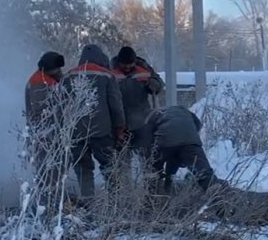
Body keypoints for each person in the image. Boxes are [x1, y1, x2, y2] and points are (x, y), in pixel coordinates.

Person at [61, 43, 126, 204]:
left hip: (75, 133)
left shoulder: (69, 75)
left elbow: (62, 105)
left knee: (83, 170)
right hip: (102, 131)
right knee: (109, 167)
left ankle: (88, 205)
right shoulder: (107, 75)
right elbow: (116, 105)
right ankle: (116, 203)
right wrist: (119, 128)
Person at [24, 51, 66, 207]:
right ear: (48, 68)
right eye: (57, 69)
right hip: (45, 135)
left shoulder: (48, 78)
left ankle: (51, 203)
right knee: (47, 172)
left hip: (50, 133)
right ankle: (47, 206)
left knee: (53, 171)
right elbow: (41, 111)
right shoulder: (39, 82)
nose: (59, 71)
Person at [111, 46, 165, 166]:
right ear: (119, 62)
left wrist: (155, 84)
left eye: (130, 64)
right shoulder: (110, 71)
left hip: (143, 121)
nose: (127, 67)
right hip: (120, 122)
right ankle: (125, 183)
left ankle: (148, 182)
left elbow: (159, 83)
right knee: (122, 159)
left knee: (147, 155)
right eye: (124, 64)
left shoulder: (143, 69)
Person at [145, 105, 217, 192]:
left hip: (164, 139)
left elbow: (147, 139)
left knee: (153, 173)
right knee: (203, 172)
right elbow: (197, 125)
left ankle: (153, 197)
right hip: (190, 140)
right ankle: (219, 195)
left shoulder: (152, 116)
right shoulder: (184, 110)